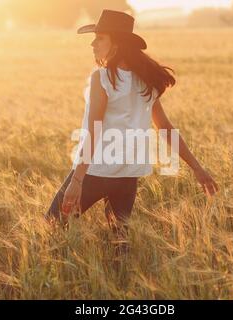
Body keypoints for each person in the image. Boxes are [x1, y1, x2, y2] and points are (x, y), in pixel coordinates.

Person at [45, 9, 218, 255]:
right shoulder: (145, 81)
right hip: (128, 175)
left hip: (98, 170)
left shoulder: (102, 78)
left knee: (53, 223)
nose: (93, 44)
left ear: (116, 43)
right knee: (120, 243)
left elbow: (94, 130)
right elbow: (166, 129)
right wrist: (197, 168)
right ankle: (124, 284)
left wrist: (76, 180)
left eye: (100, 38)